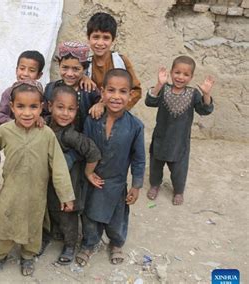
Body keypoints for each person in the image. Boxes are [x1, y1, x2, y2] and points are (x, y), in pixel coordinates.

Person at [0, 80, 75, 276]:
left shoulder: (46, 134)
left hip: (36, 192)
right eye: (20, 106)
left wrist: (66, 195)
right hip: (11, 190)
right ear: (12, 107)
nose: (27, 113)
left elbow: (58, 165)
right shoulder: (4, 131)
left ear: (41, 108)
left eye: (33, 107)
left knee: (33, 225)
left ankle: (28, 256)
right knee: (3, 222)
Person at [79, 69, 145, 266]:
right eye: (111, 90)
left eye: (122, 91)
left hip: (117, 182)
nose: (116, 97)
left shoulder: (135, 126)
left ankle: (116, 243)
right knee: (90, 215)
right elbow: (85, 148)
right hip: (93, 179)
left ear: (130, 95)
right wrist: (87, 172)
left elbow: (139, 158)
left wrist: (136, 185)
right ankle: (89, 244)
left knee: (117, 218)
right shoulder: (92, 119)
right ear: (102, 92)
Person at [145, 55, 215, 205]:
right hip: (161, 138)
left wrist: (206, 94)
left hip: (180, 141)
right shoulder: (164, 89)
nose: (180, 77)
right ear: (171, 73)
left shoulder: (193, 94)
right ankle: (155, 185)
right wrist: (158, 84)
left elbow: (204, 110)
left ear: (191, 77)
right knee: (156, 164)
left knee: (179, 169)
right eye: (177, 72)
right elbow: (150, 101)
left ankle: (178, 191)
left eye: (186, 74)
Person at [44, 85, 101, 265]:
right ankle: (50, 236)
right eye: (60, 107)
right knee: (50, 209)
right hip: (47, 182)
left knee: (67, 215)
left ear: (77, 111)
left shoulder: (71, 135)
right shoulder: (44, 125)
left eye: (71, 109)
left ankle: (70, 245)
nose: (65, 114)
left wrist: (88, 172)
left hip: (69, 184)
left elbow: (93, 153)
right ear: (49, 106)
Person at [86, 12, 142, 119]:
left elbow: (136, 91)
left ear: (113, 40)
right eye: (96, 37)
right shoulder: (86, 65)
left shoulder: (121, 61)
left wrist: (110, 107)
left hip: (118, 117)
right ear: (88, 38)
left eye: (106, 38)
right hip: (92, 119)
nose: (100, 43)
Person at [43, 41, 101, 132]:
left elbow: (104, 102)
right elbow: (43, 113)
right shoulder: (50, 89)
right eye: (65, 67)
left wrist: (101, 104)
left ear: (84, 68)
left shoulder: (89, 90)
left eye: (76, 69)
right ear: (59, 64)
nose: (70, 74)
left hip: (81, 141)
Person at [0, 50, 45, 126]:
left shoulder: (40, 93)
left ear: (39, 75)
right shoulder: (9, 93)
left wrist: (40, 118)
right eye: (22, 68)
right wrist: (16, 123)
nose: (25, 73)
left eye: (32, 70)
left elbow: (44, 114)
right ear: (16, 70)